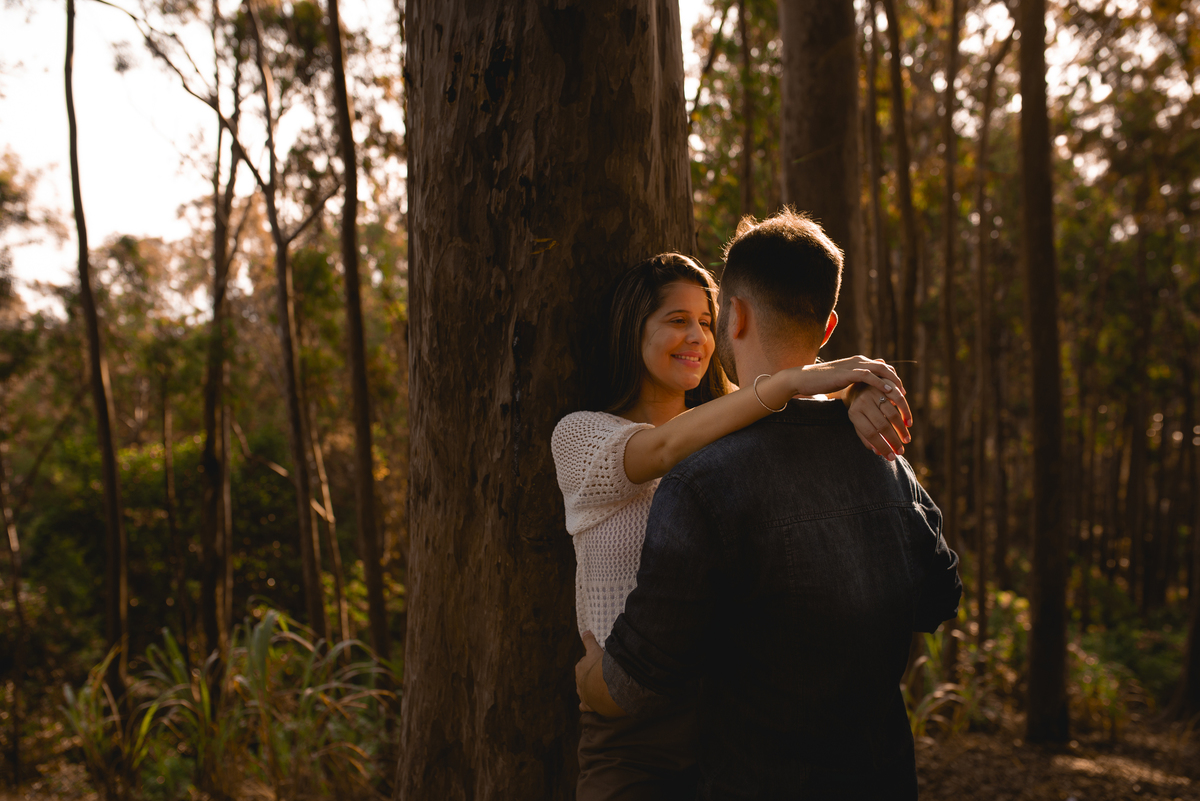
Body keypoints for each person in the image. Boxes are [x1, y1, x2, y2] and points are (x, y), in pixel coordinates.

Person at [574, 210, 962, 800]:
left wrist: (587, 680)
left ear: (735, 315)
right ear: (828, 327)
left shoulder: (702, 481)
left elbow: (638, 679)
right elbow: (939, 595)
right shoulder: (883, 460)